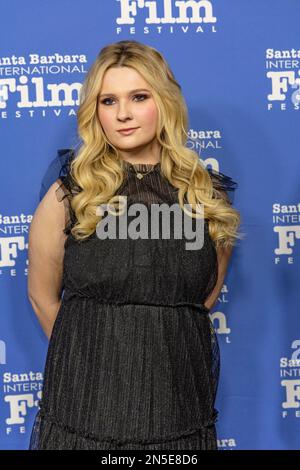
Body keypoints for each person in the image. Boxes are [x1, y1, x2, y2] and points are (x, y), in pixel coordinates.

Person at [27, 40, 241, 450]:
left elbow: (204, 296)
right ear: (96, 113)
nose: (122, 113)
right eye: (108, 101)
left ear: (165, 103)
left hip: (177, 399)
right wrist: (96, 356)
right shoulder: (69, 195)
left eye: (138, 97)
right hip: (84, 402)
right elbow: (41, 297)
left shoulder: (207, 197)